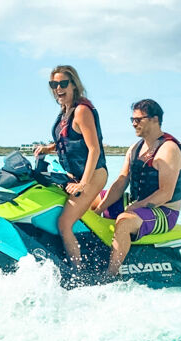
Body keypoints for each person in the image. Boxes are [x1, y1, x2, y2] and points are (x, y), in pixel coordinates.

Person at [92, 99, 181, 275]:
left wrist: (135, 207)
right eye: (132, 119)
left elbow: (166, 193)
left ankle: (110, 274)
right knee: (89, 198)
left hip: (164, 211)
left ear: (155, 119)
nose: (134, 123)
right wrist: (98, 209)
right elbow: (121, 183)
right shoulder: (135, 148)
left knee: (124, 221)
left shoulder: (169, 149)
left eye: (139, 119)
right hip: (137, 202)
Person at [34, 65, 108, 268]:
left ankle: (78, 273)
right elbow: (69, 141)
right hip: (73, 175)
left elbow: (94, 149)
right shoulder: (64, 112)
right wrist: (47, 149)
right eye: (53, 84)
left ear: (74, 85)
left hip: (93, 174)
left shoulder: (82, 111)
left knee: (64, 223)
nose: (58, 88)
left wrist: (83, 184)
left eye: (63, 83)